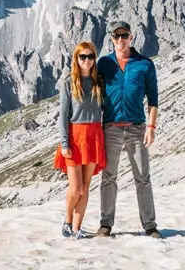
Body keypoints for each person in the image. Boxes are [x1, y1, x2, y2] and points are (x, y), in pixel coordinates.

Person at [96, 21, 161, 239]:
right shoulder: (103, 63)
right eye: (117, 36)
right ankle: (106, 224)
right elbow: (92, 92)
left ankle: (150, 226)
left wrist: (151, 127)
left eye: (125, 36)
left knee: (143, 177)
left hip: (137, 128)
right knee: (108, 177)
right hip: (110, 128)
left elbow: (153, 98)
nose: (121, 40)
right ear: (111, 39)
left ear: (131, 37)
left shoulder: (144, 64)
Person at [53, 41, 107, 239]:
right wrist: (65, 143)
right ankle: (67, 222)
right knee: (75, 187)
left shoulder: (98, 81)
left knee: (85, 188)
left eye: (90, 56)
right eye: (82, 56)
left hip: (94, 136)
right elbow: (63, 116)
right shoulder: (69, 82)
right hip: (75, 137)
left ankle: (77, 229)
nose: (87, 60)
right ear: (76, 59)